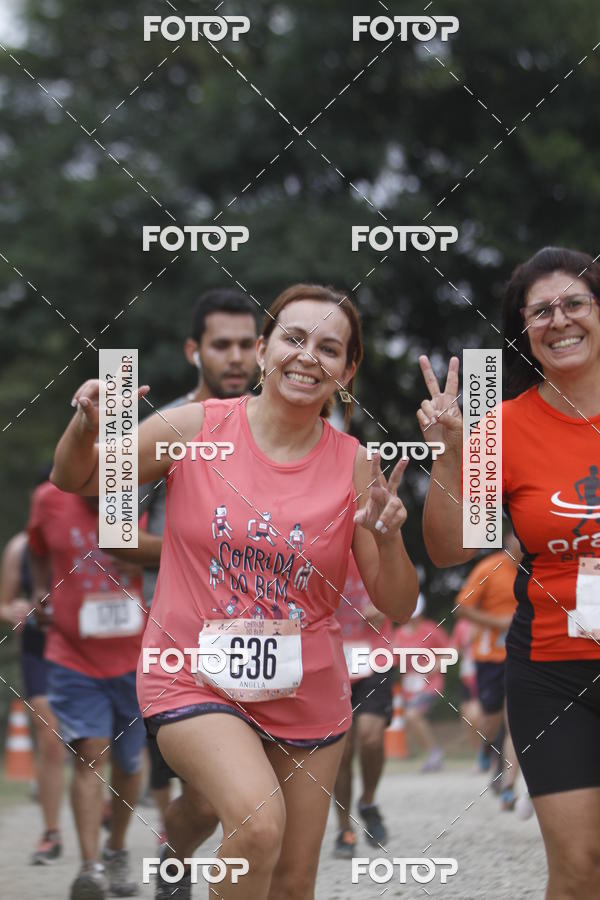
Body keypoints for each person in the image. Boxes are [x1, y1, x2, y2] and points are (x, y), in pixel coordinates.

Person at [51, 282, 419, 899]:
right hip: (189, 672)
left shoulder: (356, 463)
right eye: (294, 338)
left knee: (292, 883)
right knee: (256, 824)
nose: (308, 356)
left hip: (308, 689)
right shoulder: (196, 426)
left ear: (347, 369)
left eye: (330, 348)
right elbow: (77, 477)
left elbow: (399, 601)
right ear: (265, 348)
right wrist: (88, 426)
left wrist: (390, 538)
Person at [418, 247, 600, 899]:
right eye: (541, 310)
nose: (560, 320)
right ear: (523, 329)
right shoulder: (504, 429)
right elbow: (449, 551)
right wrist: (447, 457)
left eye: (575, 302)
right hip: (554, 672)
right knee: (581, 866)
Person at [108, 287, 258, 845]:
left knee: (248, 797)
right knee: (203, 798)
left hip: (266, 636)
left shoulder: (278, 425)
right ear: (194, 350)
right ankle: (173, 863)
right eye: (222, 345)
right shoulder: (168, 425)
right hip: (183, 644)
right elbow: (112, 531)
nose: (237, 358)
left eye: (247, 344)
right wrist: (198, 551)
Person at [28, 483, 147, 900]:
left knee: (130, 764)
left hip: (137, 656)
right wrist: (40, 590)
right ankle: (90, 866)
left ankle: (115, 850)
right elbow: (37, 546)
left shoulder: (149, 490)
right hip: (72, 652)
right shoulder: (49, 499)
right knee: (89, 752)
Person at [0, 527, 66, 864]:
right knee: (50, 735)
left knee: (96, 739)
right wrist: (14, 609)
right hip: (38, 649)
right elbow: (4, 603)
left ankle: (105, 808)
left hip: (85, 646)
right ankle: (51, 834)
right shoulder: (20, 546)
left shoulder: (95, 532)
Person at [332, 554, 393, 857]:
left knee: (371, 737)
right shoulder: (314, 535)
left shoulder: (374, 534)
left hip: (373, 654)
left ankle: (368, 802)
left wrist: (386, 604)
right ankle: (344, 828)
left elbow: (404, 588)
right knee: (341, 753)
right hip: (330, 658)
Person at [455, 532, 522, 809]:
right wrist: (497, 622)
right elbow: (462, 608)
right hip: (489, 657)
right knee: (490, 717)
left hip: (523, 655)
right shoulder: (489, 568)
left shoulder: (536, 569)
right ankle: (487, 747)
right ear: (509, 540)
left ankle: (507, 784)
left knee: (516, 719)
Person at [392, 594, 449, 772]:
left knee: (412, 715)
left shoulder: (431, 630)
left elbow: (449, 654)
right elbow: (393, 658)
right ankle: (433, 753)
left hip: (430, 684)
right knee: (411, 718)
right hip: (410, 687)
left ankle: (435, 753)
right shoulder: (399, 633)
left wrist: (433, 667)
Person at [449, 614, 481, 758]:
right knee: (468, 719)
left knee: (476, 716)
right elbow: (454, 649)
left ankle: (492, 754)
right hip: (467, 676)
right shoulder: (462, 624)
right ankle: (480, 755)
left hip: (484, 674)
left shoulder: (491, 617)